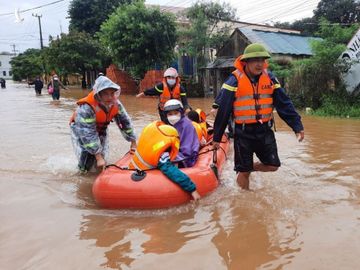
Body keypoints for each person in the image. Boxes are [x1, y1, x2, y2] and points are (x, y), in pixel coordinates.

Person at [212, 43, 305, 190]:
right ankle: (245, 196)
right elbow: (224, 110)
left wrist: (297, 126)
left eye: (262, 60)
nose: (259, 64)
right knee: (244, 172)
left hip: (264, 131)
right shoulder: (233, 81)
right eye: (255, 60)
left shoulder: (271, 79)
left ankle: (248, 168)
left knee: (273, 165)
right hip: (243, 133)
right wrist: (217, 137)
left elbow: (284, 104)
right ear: (246, 62)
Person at [70, 76, 137, 172]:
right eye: (105, 94)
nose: (110, 97)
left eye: (112, 93)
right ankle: (83, 172)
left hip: (101, 129)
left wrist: (133, 142)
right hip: (81, 130)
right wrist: (98, 157)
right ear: (98, 95)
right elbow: (87, 134)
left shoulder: (115, 104)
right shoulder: (86, 108)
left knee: (103, 155)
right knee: (86, 156)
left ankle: (99, 171)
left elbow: (125, 122)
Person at [129, 121, 200, 201]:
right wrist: (192, 189)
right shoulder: (162, 154)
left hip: (131, 172)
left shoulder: (148, 145)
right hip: (143, 182)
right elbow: (171, 171)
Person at [163, 99, 199, 168]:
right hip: (176, 152)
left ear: (181, 112)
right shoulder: (169, 125)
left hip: (186, 157)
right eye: (170, 114)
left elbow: (187, 149)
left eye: (176, 113)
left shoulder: (187, 125)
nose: (173, 116)